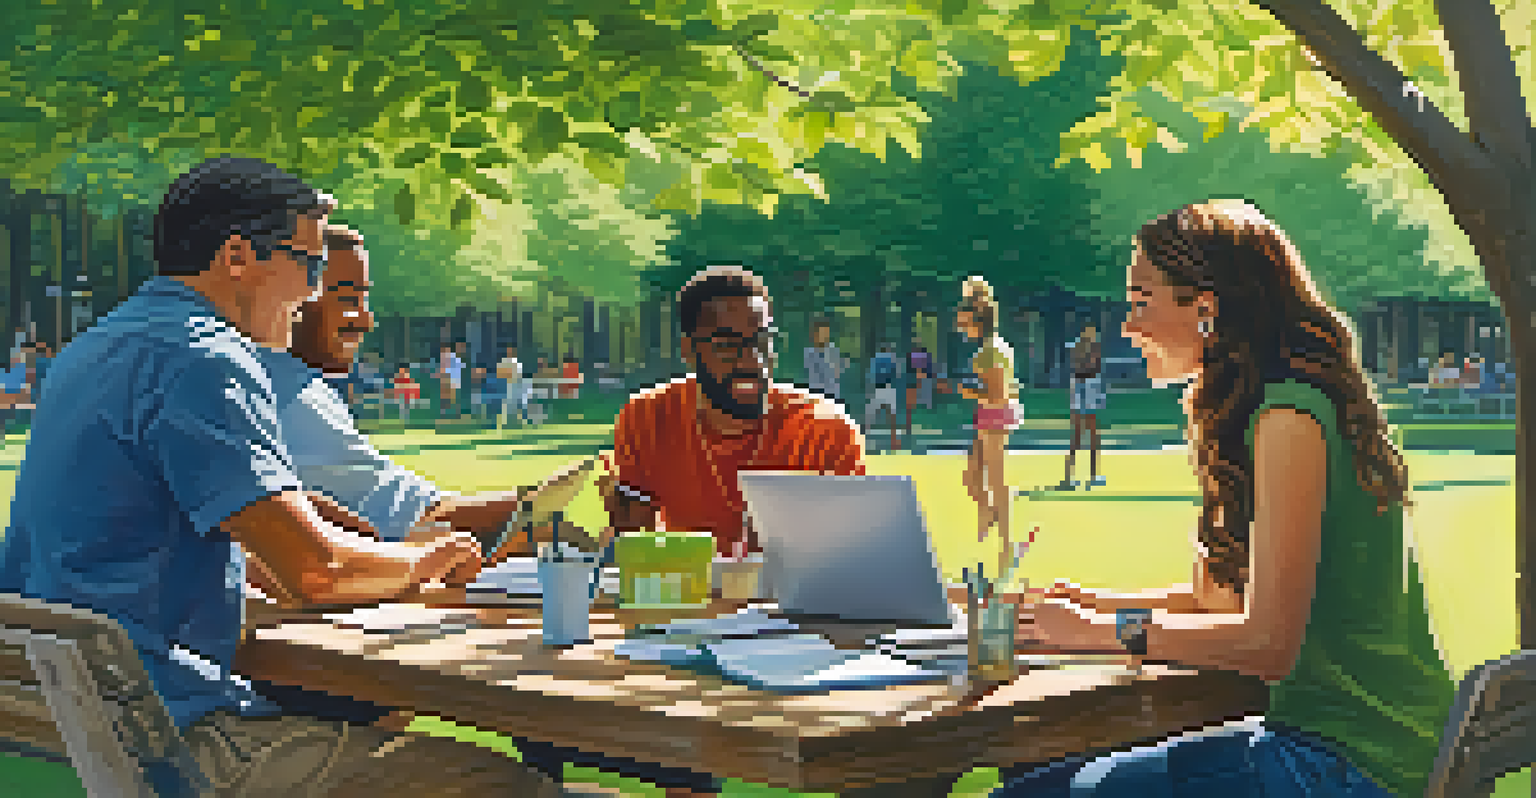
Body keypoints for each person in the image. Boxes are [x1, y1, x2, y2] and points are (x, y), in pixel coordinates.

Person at [0, 158, 555, 798]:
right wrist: (420, 560)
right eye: (311, 265)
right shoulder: (205, 358)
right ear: (237, 255)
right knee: (514, 785)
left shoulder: (94, 348)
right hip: (176, 737)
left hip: (76, 728)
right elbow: (316, 571)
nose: (316, 293)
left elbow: (137, 535)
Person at [994, 200, 1453, 798]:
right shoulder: (1268, 407)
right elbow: (1220, 601)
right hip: (1345, 748)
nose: (1128, 327)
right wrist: (1087, 607)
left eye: (1141, 302)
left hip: (1352, 762)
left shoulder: (1289, 417)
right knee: (1034, 775)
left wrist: (1099, 631)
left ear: (1205, 308)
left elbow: (1268, 645)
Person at [956, 276, 1022, 544]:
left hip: (995, 416)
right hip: (989, 416)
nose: (962, 329)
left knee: (996, 480)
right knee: (972, 477)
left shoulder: (991, 351)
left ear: (976, 321)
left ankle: (1006, 542)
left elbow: (998, 395)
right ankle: (990, 515)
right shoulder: (990, 348)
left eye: (963, 323)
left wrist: (968, 391)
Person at [1061, 324, 1106, 490]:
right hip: (1090, 387)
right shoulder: (1092, 347)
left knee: (1077, 436)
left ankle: (1069, 477)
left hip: (1078, 386)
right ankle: (1093, 476)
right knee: (1093, 435)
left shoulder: (1076, 347)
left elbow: (1077, 368)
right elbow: (1094, 367)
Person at [865, 341, 903, 450]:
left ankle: (865, 438)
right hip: (888, 388)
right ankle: (894, 441)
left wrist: (870, 389)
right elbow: (897, 374)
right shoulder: (892, 358)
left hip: (878, 388)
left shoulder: (876, 359)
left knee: (871, 415)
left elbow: (872, 375)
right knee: (892, 416)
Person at [803, 317, 848, 403]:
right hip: (816, 396)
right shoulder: (809, 353)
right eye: (820, 332)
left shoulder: (833, 351)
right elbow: (813, 378)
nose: (822, 336)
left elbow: (835, 373)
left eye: (825, 332)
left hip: (832, 396)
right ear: (814, 334)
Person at [496, 345, 528, 427]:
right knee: (506, 404)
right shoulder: (504, 361)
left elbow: (516, 374)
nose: (510, 352)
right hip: (506, 385)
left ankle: (520, 420)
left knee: (519, 403)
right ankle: (504, 422)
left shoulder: (516, 362)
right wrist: (507, 373)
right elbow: (499, 373)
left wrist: (507, 372)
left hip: (516, 385)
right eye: (508, 351)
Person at [437, 343, 462, 418]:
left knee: (451, 397)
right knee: (446, 397)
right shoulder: (449, 359)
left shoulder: (453, 359)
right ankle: (445, 412)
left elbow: (450, 371)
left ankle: (452, 412)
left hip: (452, 380)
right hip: (449, 380)